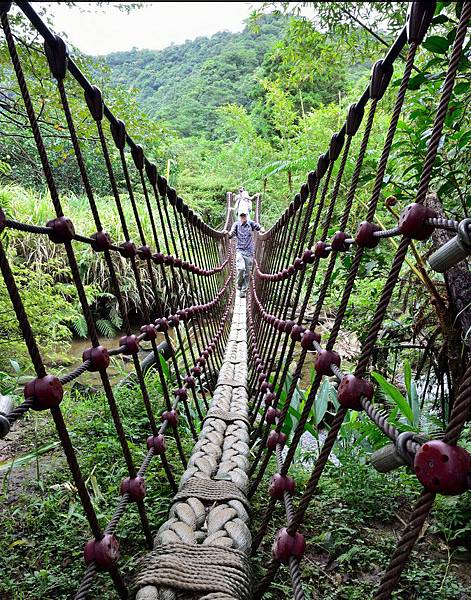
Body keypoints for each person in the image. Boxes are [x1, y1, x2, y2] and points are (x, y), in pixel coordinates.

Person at [229, 212, 261, 298]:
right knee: (241, 268)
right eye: (241, 216)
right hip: (240, 250)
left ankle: (243, 291)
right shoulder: (236, 224)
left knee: (247, 273)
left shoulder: (250, 223)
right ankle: (239, 284)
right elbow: (231, 233)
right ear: (239, 216)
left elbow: (258, 227)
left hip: (249, 251)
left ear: (247, 216)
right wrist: (228, 233)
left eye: (244, 215)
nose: (243, 217)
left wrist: (261, 228)